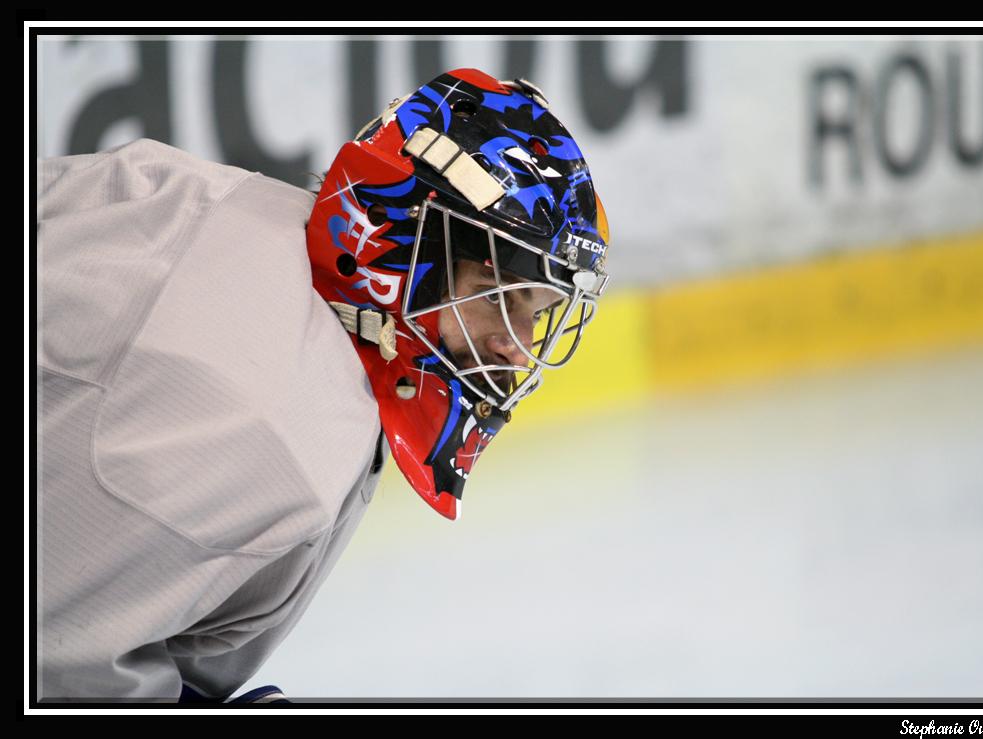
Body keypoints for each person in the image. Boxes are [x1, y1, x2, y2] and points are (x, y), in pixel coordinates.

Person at [36, 67, 610, 702]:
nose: (518, 345)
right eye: (496, 295)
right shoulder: (269, 438)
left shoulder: (206, 199)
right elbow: (56, 664)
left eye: (536, 308)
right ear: (400, 257)